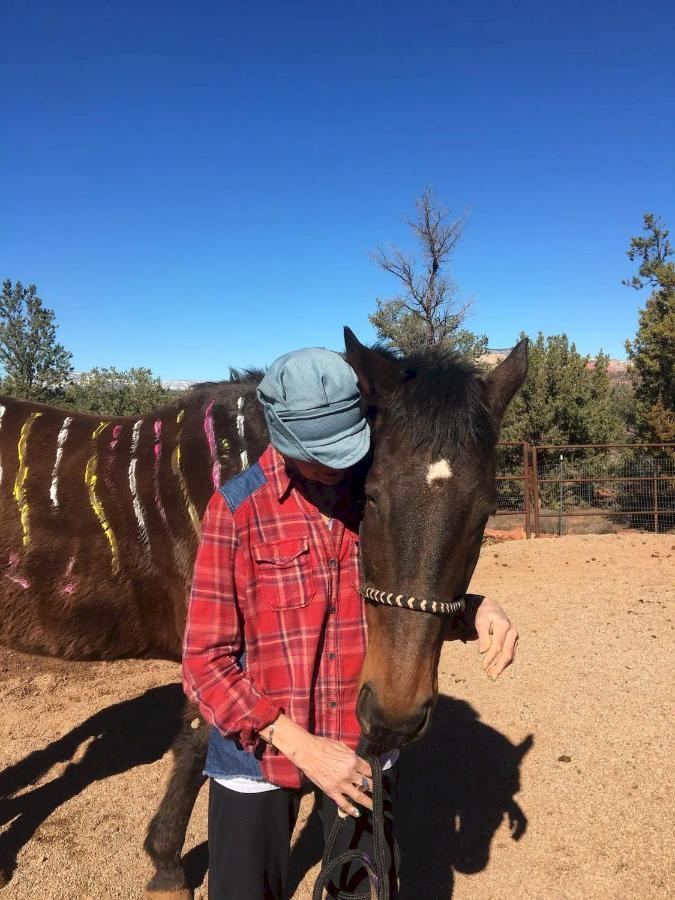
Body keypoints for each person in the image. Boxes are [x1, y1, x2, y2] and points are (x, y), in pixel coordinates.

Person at [182, 347, 518, 900]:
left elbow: (398, 594)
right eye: (317, 454)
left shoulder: (373, 489)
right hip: (259, 751)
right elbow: (203, 663)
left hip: (357, 741)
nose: (335, 465)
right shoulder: (237, 510)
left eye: (345, 448)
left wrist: (475, 607)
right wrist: (303, 747)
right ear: (280, 433)